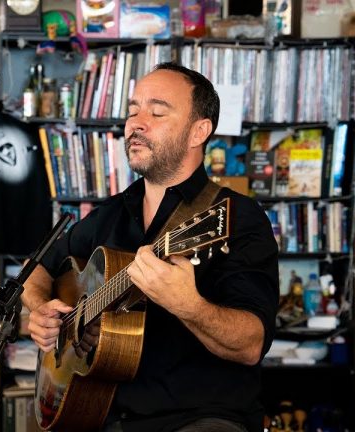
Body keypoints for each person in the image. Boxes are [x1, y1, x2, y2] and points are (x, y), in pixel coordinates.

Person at [22, 62, 279, 432]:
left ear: (198, 131)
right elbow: (35, 269)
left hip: (199, 417)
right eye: (132, 111)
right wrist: (41, 309)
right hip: (103, 413)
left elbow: (251, 344)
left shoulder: (235, 217)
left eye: (157, 112)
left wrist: (187, 305)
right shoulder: (109, 214)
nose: (136, 123)